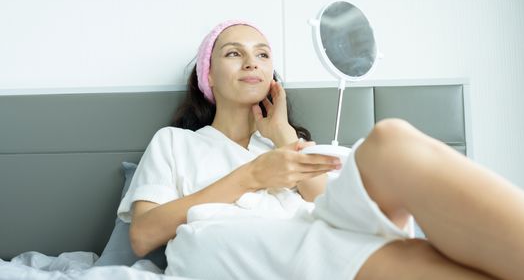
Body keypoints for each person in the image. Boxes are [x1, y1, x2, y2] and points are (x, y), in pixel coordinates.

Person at [117, 20, 524, 280]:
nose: (251, 62)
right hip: (225, 244)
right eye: (233, 53)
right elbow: (143, 235)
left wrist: (283, 137)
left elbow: (336, 208)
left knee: (391, 140)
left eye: (262, 54)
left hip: (309, 232)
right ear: (207, 74)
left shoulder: (285, 141)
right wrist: (254, 176)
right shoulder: (175, 142)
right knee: (383, 254)